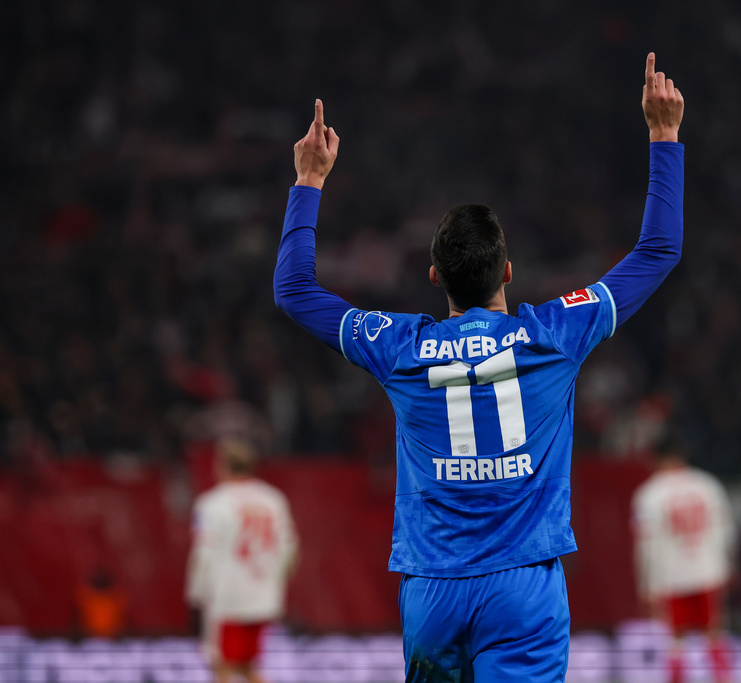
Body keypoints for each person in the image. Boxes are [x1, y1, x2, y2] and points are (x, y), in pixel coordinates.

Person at [274, 52, 685, 682]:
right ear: (509, 272)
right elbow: (658, 250)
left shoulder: (400, 346)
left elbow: (294, 291)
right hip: (523, 589)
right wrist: (664, 136)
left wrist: (308, 181)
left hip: (434, 590)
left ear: (435, 276)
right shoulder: (554, 333)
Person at [186, 438, 299, 683]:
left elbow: (203, 553)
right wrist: (275, 583)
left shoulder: (211, 504)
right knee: (249, 667)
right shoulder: (274, 499)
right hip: (264, 596)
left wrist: (196, 594)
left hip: (227, 599)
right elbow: (290, 548)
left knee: (222, 668)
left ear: (221, 465)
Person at [632, 434, 736, 683]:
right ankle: (724, 678)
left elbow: (646, 544)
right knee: (715, 632)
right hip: (707, 570)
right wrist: (728, 566)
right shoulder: (707, 485)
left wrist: (646, 583)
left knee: (675, 639)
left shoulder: (649, 495)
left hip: (671, 576)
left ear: (655, 460)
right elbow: (725, 530)